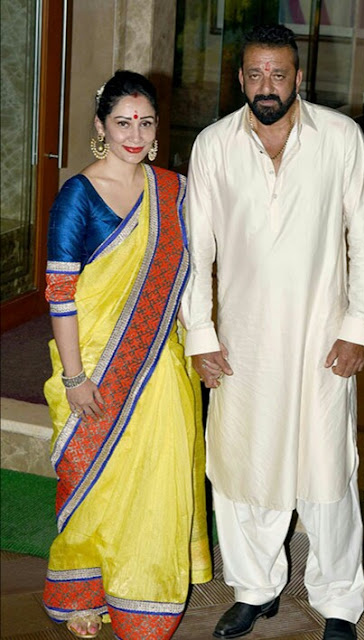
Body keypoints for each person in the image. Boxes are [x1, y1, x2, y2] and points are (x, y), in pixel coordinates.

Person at [181, 25, 364, 640]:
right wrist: (200, 335)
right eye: (254, 74)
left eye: (278, 74)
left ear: (298, 77)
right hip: (242, 345)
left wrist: (358, 326)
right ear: (240, 79)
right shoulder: (214, 145)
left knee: (327, 473)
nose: (266, 85)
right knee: (244, 467)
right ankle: (254, 589)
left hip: (323, 341)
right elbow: (197, 253)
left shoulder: (340, 138)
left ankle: (338, 602)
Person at [42, 70, 211, 639]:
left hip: (159, 360)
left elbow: (186, 277)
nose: (134, 136)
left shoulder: (172, 191)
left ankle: (144, 600)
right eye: (122, 123)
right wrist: (74, 378)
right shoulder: (78, 195)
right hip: (93, 364)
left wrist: (200, 342)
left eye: (145, 123)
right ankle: (84, 596)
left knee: (157, 478)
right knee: (94, 482)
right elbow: (61, 292)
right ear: (100, 127)